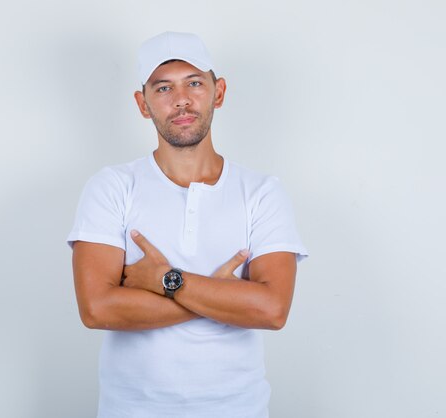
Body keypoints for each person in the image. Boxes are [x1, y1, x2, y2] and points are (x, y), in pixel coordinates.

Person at [67, 31, 308, 418]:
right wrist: (226, 297)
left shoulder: (262, 192)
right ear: (142, 104)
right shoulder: (111, 187)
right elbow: (97, 308)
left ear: (219, 92)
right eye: (163, 88)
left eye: (194, 83)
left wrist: (166, 280)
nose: (181, 100)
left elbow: (272, 311)